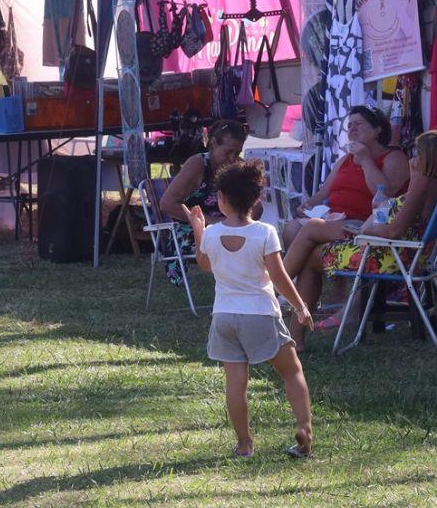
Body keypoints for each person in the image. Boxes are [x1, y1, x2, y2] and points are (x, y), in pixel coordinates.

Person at [184, 160, 314, 458]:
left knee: (236, 384)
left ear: (221, 199)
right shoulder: (264, 232)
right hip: (260, 315)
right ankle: (304, 429)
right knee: (292, 371)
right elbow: (279, 276)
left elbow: (205, 265)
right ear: (256, 200)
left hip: (224, 317)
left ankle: (244, 445)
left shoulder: (213, 234)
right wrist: (300, 306)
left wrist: (198, 231)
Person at [281, 107, 409, 342]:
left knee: (309, 229)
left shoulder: (393, 158)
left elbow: (385, 194)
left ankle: (277, 287)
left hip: (365, 226)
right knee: (293, 228)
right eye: (349, 125)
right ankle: (295, 337)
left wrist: (366, 160)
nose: (352, 129)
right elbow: (325, 191)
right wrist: (308, 204)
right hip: (336, 220)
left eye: (359, 124)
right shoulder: (346, 159)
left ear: (377, 129)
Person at [322, 130, 437, 279]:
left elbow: (393, 232)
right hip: (414, 257)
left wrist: (362, 232)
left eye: (417, 154)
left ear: (429, 158)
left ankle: (299, 299)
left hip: (392, 258)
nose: (413, 158)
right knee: (314, 236)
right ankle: (305, 299)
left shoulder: (423, 183)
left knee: (315, 254)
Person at [158, 120, 261, 280]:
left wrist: (241, 220)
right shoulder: (197, 164)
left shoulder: (237, 168)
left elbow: (257, 207)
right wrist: (209, 221)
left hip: (227, 227)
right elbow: (167, 204)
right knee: (234, 241)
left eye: (238, 152)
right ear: (213, 144)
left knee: (258, 237)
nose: (233, 158)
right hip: (190, 231)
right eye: (228, 152)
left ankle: (252, 284)